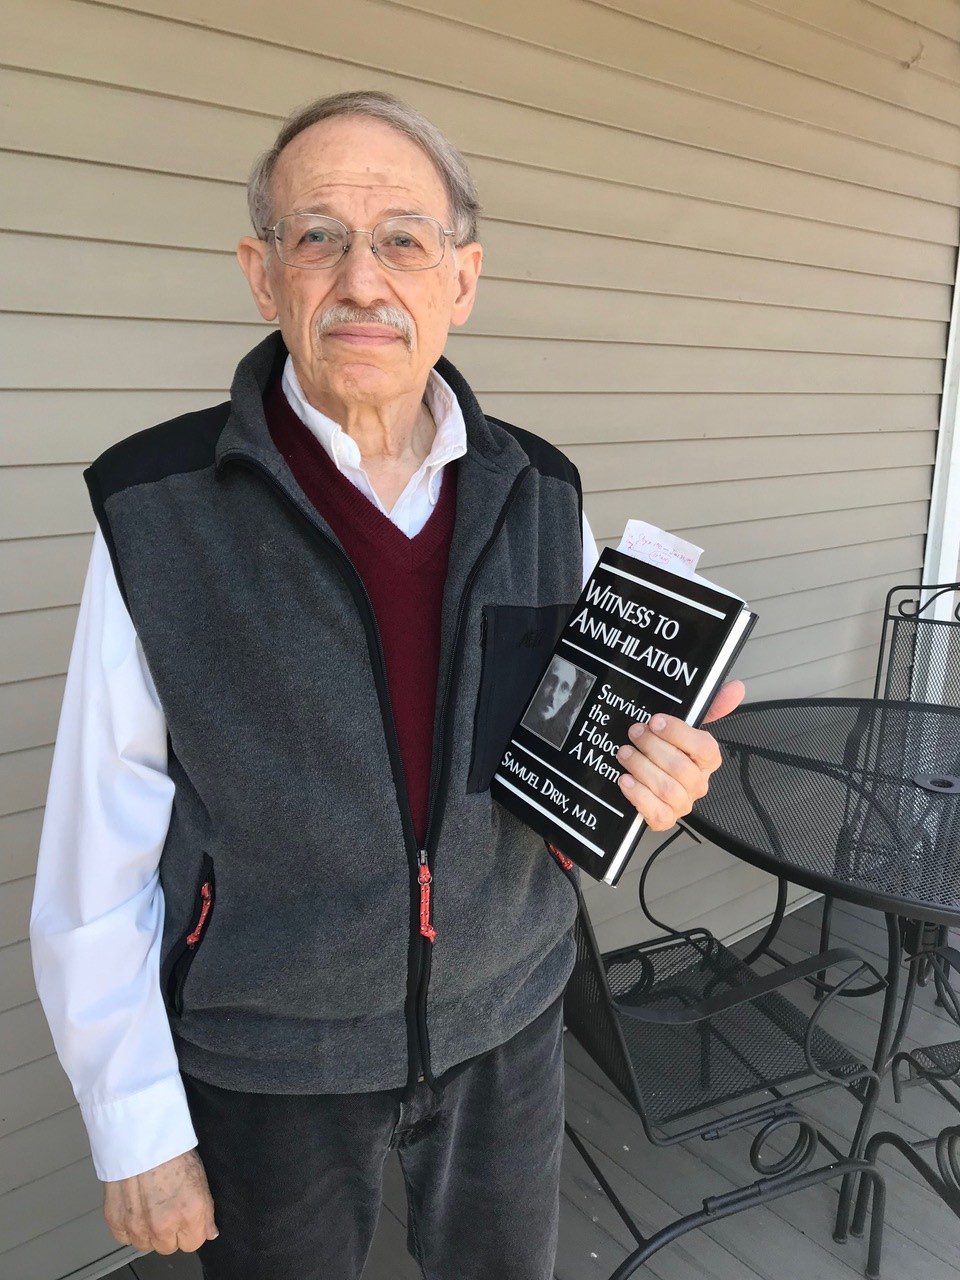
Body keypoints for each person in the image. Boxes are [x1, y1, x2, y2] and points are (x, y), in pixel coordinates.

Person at [29, 89, 743, 1279]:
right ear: (265, 276)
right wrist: (134, 1123)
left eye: (403, 239)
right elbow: (93, 852)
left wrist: (650, 776)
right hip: (271, 1060)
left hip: (509, 1022)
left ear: (461, 280)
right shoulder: (158, 513)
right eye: (320, 237)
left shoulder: (541, 492)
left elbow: (566, 756)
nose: (363, 279)